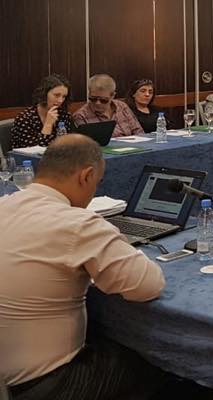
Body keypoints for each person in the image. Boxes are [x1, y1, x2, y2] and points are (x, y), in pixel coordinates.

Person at [0, 135, 168, 397]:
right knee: (162, 365)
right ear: (86, 176)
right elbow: (148, 286)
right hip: (45, 384)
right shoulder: (78, 224)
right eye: (97, 183)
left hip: (7, 377)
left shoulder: (4, 204)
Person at [10, 74, 78, 149]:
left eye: (64, 96)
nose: (60, 100)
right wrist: (48, 124)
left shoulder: (64, 115)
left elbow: (74, 143)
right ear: (44, 94)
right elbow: (34, 150)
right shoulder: (25, 118)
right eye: (56, 95)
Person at [73, 74, 144, 137]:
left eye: (103, 100)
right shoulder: (81, 115)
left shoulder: (122, 106)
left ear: (113, 96)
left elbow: (139, 132)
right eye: (93, 99)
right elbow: (86, 143)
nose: (98, 103)